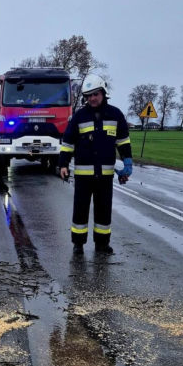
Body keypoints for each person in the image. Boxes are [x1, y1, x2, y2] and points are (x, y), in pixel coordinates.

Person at [58, 76, 133, 256]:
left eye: (95, 94)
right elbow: (68, 143)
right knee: (80, 211)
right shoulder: (79, 116)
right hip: (83, 177)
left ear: (103, 93)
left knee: (104, 211)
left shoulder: (115, 115)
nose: (92, 98)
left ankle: (102, 244)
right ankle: (78, 244)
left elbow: (123, 142)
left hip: (105, 176)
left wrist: (127, 162)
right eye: (88, 95)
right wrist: (63, 164)